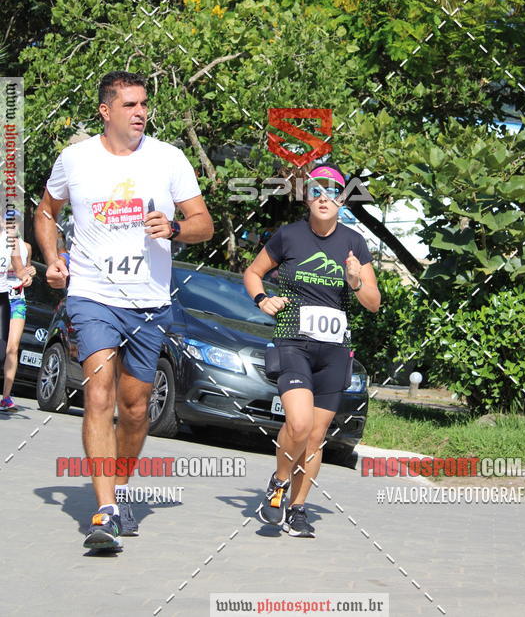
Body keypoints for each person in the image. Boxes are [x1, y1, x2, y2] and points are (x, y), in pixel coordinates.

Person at [34, 71, 214, 552]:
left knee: (135, 409)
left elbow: (204, 224)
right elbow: (46, 211)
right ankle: (106, 509)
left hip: (148, 301)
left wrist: (174, 228)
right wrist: (54, 258)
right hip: (92, 294)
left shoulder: (168, 158)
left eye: (144, 104)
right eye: (130, 104)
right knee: (99, 393)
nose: (140, 112)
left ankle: (122, 486)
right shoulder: (75, 159)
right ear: (106, 111)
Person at [243, 163, 380, 537]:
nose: (324, 197)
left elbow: (373, 302)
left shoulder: (354, 242)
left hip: (335, 350)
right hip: (293, 342)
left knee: (317, 436)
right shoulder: (289, 236)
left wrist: (354, 282)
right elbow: (253, 273)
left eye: (332, 191)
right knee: (299, 423)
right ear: (306, 196)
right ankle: (279, 484)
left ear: (342, 199)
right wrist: (261, 299)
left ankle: (298, 508)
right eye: (316, 190)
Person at [0, 230, 35, 410]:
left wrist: (31, 272)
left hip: (17, 300)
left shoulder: (26, 246)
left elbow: (26, 269)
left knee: (12, 348)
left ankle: (6, 397)